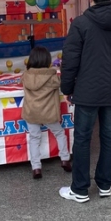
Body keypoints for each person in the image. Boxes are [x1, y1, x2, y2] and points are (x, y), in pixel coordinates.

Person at [59, 0, 111, 202]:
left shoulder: (81, 24)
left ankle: (80, 189)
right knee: (110, 137)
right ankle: (105, 185)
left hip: (86, 91)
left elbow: (70, 60)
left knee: (82, 138)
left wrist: (67, 87)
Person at [22, 46, 71, 179]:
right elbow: (62, 83)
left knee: (34, 138)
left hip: (31, 112)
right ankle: (65, 159)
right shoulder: (52, 76)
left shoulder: (26, 76)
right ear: (47, 60)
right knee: (60, 133)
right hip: (49, 113)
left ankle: (36, 168)